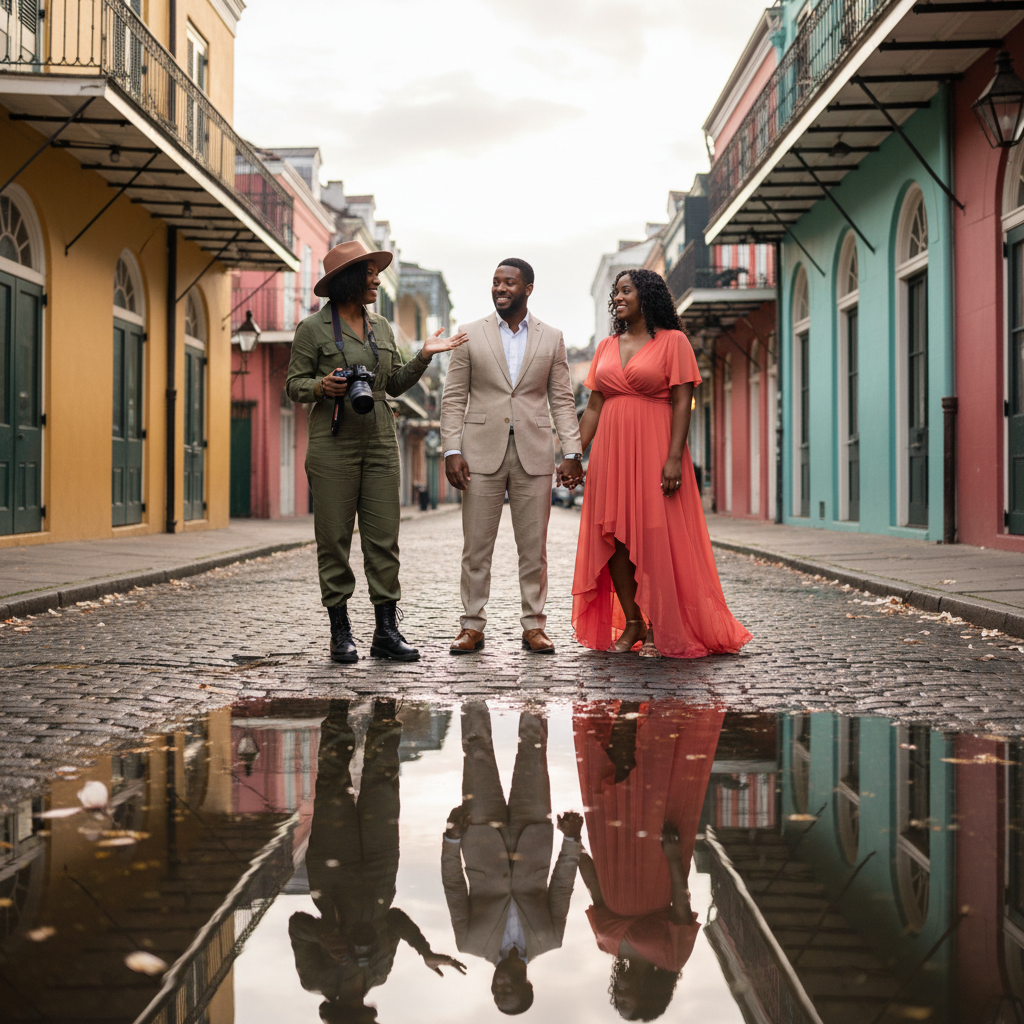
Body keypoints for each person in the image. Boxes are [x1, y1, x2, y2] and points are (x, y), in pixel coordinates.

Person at [286, 240, 467, 664]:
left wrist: (423, 356)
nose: (377, 280)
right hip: (333, 444)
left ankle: (386, 632)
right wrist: (321, 386)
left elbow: (392, 384)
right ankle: (340, 632)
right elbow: (294, 385)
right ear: (348, 280)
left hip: (383, 442)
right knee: (333, 541)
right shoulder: (312, 330)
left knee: (384, 541)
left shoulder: (381, 328)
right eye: (370, 274)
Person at [572, 268, 752, 658]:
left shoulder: (674, 342)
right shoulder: (605, 347)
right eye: (615, 292)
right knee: (615, 539)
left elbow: (681, 403)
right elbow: (593, 409)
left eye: (626, 291)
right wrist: (572, 455)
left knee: (657, 538)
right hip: (610, 453)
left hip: (656, 449)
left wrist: (673, 459)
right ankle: (634, 621)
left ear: (647, 296)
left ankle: (660, 624)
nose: (618, 298)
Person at [289, 700, 465, 1024]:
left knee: (332, 787)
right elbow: (394, 920)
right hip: (379, 869)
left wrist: (323, 936)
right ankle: (385, 714)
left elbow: (297, 927)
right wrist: (423, 951)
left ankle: (338, 712)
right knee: (383, 787)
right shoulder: (379, 974)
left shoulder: (316, 980)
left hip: (332, 874)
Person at [440, 258, 583, 655]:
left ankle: (534, 626)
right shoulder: (469, 334)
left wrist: (571, 451)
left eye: (509, 283)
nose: (500, 288)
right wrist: (451, 447)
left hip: (534, 453)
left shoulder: (551, 337)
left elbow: (562, 399)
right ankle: (471, 626)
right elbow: (453, 398)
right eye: (495, 282)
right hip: (479, 452)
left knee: (534, 548)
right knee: (476, 547)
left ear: (528, 289)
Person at [573, 699, 725, 1021]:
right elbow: (681, 908)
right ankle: (662, 705)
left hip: (610, 851)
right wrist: (672, 858)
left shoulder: (606, 947)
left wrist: (573, 841)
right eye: (631, 998)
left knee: (613, 768)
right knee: (649, 774)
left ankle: (628, 700)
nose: (622, 992)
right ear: (649, 995)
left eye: (619, 999)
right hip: (653, 865)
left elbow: (594, 889)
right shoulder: (672, 959)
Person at [441, 701, 583, 1015]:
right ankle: (535, 685)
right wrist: (571, 840)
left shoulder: (469, 943)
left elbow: (454, 888)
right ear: (527, 985)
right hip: (533, 832)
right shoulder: (550, 939)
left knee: (477, 752)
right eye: (510, 990)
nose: (500, 986)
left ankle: (474, 681)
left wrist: (452, 839)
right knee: (533, 751)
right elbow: (561, 888)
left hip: (477, 835)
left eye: (497, 993)